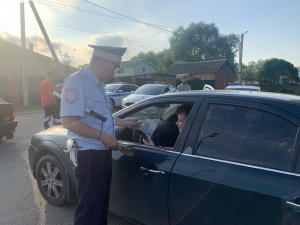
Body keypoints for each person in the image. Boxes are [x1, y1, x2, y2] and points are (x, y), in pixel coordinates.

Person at [60, 45, 140, 225]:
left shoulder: (99, 85)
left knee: (101, 203)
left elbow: (102, 118)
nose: (113, 74)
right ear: (101, 62)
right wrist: (103, 137)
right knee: (90, 208)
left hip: (101, 152)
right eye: (113, 69)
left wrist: (126, 123)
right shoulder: (77, 81)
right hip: (88, 154)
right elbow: (68, 121)